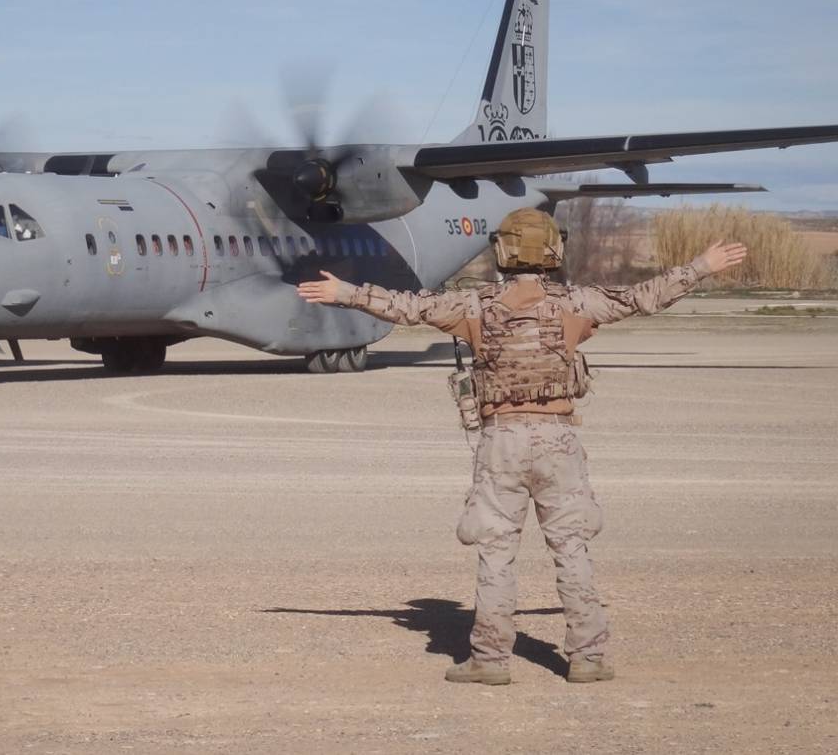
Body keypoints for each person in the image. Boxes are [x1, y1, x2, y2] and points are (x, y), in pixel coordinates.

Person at [297, 207, 746, 685]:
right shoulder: (578, 303)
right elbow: (643, 298)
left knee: (495, 550)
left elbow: (408, 307)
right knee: (571, 548)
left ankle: (490, 661)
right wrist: (700, 266)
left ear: (501, 251)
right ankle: (588, 658)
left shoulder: (473, 307)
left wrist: (345, 293)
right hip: (559, 440)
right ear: (554, 250)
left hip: (501, 443)